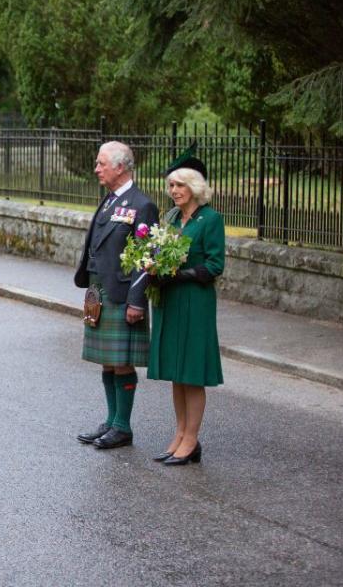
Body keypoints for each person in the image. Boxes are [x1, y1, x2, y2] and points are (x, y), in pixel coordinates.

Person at [74, 141, 159, 449]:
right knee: (107, 361)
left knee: (121, 362)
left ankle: (123, 427)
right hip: (99, 291)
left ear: (120, 167)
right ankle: (111, 421)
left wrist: (137, 301)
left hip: (123, 294)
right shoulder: (109, 201)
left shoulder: (142, 204)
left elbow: (145, 257)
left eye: (101, 164)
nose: (97, 168)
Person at [148, 143, 225, 465]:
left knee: (191, 372)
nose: (173, 191)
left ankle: (191, 439)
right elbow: (155, 252)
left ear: (194, 186)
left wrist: (179, 274)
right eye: (170, 186)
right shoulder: (169, 218)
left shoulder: (210, 220)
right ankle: (179, 434)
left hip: (195, 301)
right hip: (169, 300)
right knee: (176, 372)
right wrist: (151, 265)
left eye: (179, 185)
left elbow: (214, 265)